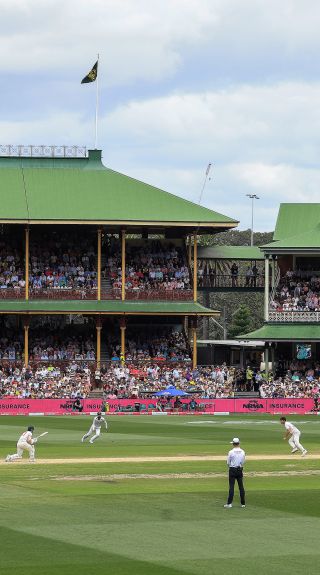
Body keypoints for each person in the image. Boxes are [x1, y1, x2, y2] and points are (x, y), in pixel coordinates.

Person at [224, 437, 246, 508]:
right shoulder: (243, 451)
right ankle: (243, 503)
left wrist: (231, 466)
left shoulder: (231, 452)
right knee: (241, 487)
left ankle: (229, 503)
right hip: (239, 469)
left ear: (233, 444)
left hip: (232, 469)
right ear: (239, 443)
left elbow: (228, 462)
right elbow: (243, 462)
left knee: (231, 487)